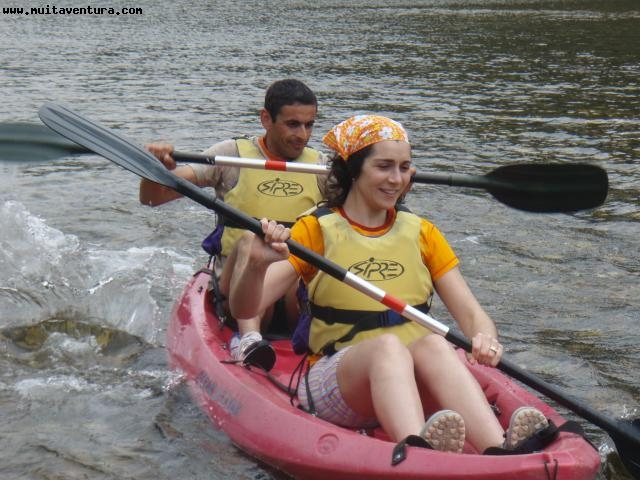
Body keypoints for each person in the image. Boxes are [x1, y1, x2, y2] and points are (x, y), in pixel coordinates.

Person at [227, 114, 552, 455]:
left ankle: (499, 450)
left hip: (411, 378)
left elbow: (471, 314)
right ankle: (417, 453)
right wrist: (257, 265)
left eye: (404, 167)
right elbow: (246, 308)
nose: (396, 179)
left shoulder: (422, 232)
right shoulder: (315, 230)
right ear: (354, 170)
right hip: (339, 382)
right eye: (384, 166)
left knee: (435, 344)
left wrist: (485, 338)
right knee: (388, 347)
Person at [140, 79, 328, 371]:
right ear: (266, 119)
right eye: (292, 124)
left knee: (310, 255)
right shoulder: (231, 155)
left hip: (292, 291)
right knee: (253, 239)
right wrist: (154, 169)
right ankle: (249, 339)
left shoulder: (320, 166)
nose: (302, 135)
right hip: (238, 290)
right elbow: (154, 198)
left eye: (309, 125)